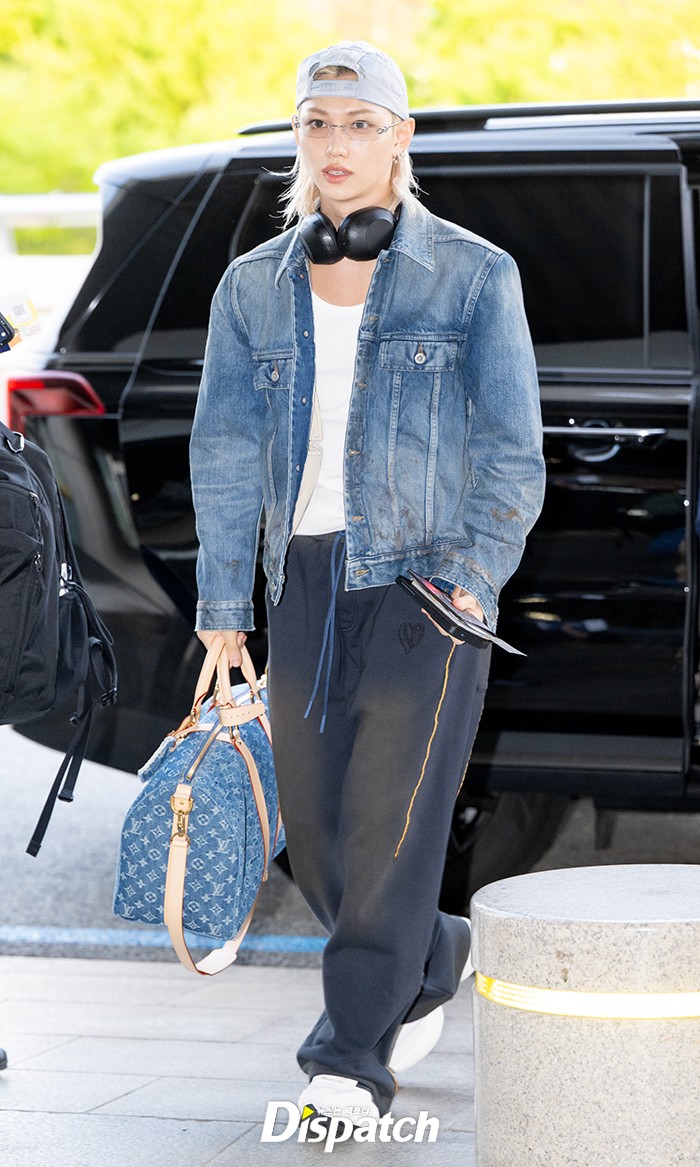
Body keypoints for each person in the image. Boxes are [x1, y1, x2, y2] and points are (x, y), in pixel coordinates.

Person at [190, 40, 545, 1125]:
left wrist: (472, 578)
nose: (335, 144)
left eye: (358, 123)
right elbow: (224, 450)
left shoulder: (473, 274)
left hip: (425, 584)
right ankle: (429, 950)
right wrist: (223, 609)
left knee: (390, 827)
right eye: (316, 123)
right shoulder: (251, 285)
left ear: (401, 137)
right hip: (300, 581)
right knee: (316, 836)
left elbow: (513, 449)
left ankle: (347, 1063)